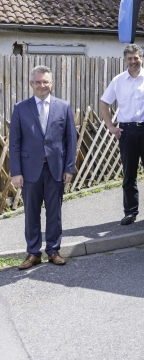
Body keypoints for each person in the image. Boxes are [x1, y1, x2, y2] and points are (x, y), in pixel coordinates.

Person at [10, 65, 77, 270]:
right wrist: (16, 172)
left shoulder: (63, 106)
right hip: (29, 170)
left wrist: (69, 168)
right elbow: (15, 142)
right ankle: (33, 253)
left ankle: (54, 250)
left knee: (54, 212)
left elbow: (70, 141)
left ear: (52, 83)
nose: (42, 85)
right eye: (37, 82)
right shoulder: (20, 108)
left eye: (45, 82)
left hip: (56, 169)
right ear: (31, 84)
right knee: (31, 213)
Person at [100, 44, 144, 226]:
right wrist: (111, 126)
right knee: (129, 173)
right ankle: (130, 212)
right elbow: (104, 103)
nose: (133, 61)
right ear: (125, 60)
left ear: (141, 58)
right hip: (127, 131)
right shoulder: (118, 80)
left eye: (136, 58)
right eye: (130, 58)